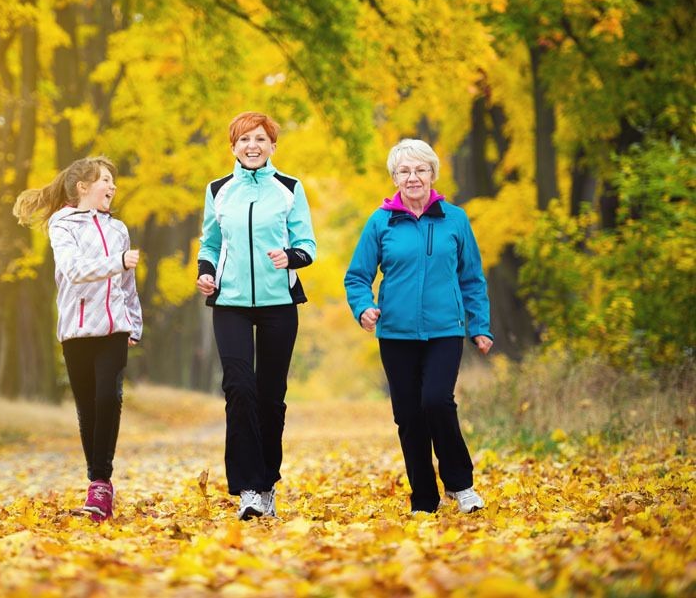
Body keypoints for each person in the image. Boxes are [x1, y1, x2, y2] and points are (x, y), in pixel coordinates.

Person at [344, 138, 493, 515]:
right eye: (405, 171)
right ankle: (424, 498)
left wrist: (480, 325)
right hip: (396, 334)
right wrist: (364, 308)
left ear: (432, 175)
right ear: (395, 177)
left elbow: (472, 278)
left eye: (421, 169)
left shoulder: (455, 219)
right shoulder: (380, 222)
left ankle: (461, 486)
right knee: (409, 417)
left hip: (445, 329)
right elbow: (357, 277)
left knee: (436, 402)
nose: (413, 177)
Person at [196, 111, 317, 520]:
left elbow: (307, 244)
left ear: (272, 146)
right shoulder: (218, 190)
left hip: (278, 304)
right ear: (233, 147)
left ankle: (267, 483)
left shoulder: (289, 189)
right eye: (245, 139)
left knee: (270, 397)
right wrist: (206, 273)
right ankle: (247, 489)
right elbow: (209, 243)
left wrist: (291, 257)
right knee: (238, 388)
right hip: (229, 303)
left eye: (261, 139)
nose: (253, 146)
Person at [13, 156, 142, 523]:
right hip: (77, 329)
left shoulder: (118, 229)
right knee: (87, 407)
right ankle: (97, 480)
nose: (112, 186)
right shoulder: (62, 225)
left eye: (113, 180)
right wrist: (117, 261)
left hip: (113, 327)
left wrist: (134, 324)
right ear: (83, 187)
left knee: (109, 397)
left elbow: (127, 287)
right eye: (105, 180)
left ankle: (100, 484)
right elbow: (72, 270)